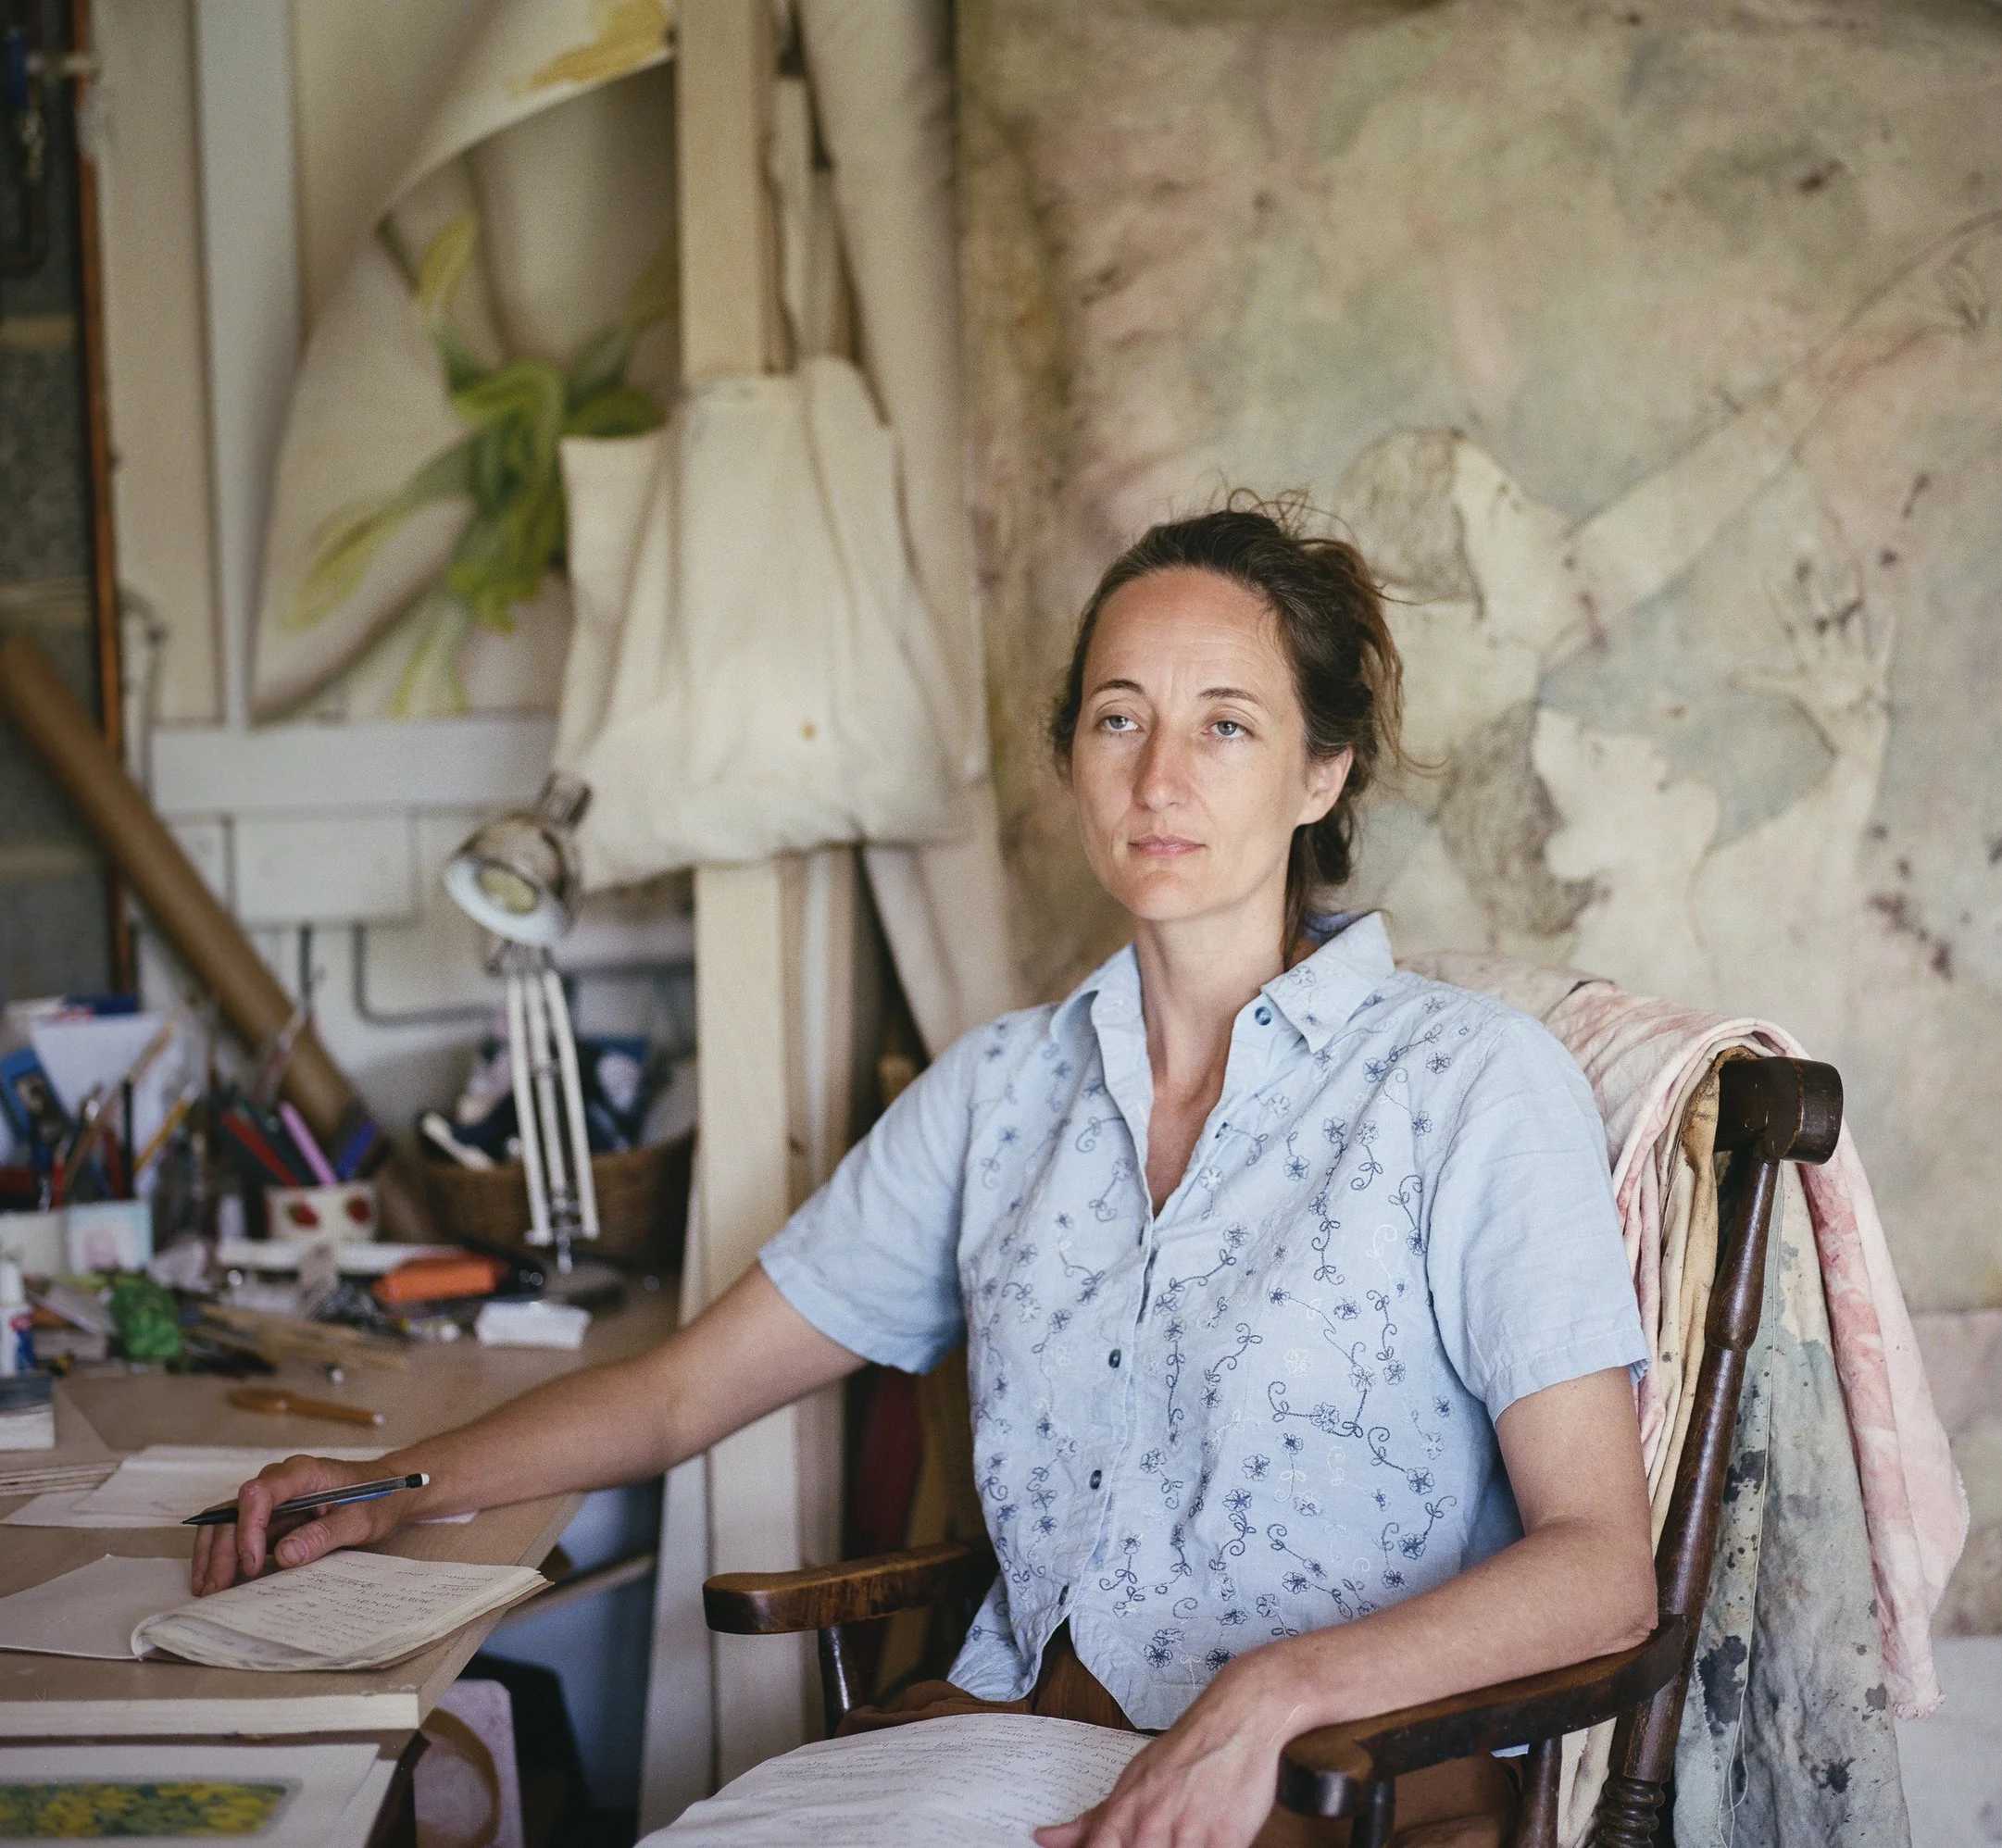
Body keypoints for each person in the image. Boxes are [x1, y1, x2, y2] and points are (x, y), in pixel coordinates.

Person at [195, 504, 1658, 1848]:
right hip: (1021, 1755)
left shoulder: (1467, 1085)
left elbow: (1601, 1566)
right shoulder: (1000, 1093)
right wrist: (393, 1487)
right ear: (1071, 756)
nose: (1158, 777)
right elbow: (684, 1393)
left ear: (1321, 773)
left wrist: (1272, 1694)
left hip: (1345, 1795)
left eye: (1226, 725)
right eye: (1119, 718)